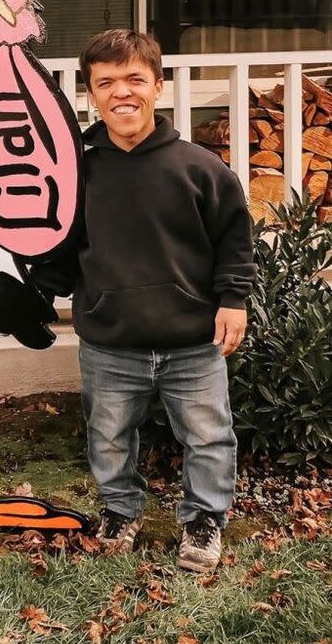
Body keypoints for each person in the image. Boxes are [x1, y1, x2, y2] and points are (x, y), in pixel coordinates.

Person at [33, 29, 254, 574]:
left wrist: (233, 299)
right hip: (110, 341)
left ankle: (204, 520)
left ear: (158, 85)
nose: (122, 93)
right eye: (106, 82)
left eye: (135, 79)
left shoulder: (200, 168)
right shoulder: (75, 173)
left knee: (207, 436)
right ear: (90, 94)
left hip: (192, 341)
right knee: (108, 435)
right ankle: (119, 509)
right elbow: (58, 244)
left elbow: (234, 236)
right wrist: (40, 284)